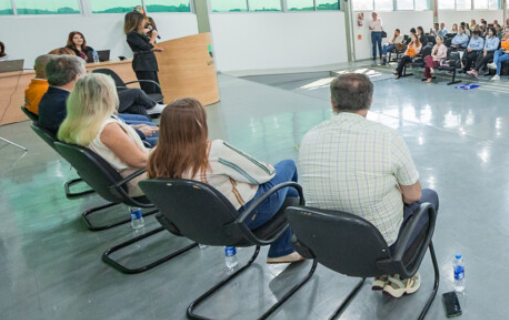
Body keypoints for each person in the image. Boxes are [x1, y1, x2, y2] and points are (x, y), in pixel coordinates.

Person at [299, 73, 437, 298]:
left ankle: (391, 275)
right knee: (429, 198)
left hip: (324, 246)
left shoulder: (309, 137)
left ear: (332, 102)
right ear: (370, 102)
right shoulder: (387, 138)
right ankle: (401, 273)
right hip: (377, 250)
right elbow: (413, 195)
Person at [147, 98, 303, 264]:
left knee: (290, 193)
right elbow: (263, 173)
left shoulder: (155, 157)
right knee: (287, 166)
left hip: (197, 225)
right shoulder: (214, 150)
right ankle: (282, 249)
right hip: (240, 221)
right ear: (199, 125)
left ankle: (283, 249)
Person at [57, 74, 157, 194]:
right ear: (107, 96)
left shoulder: (77, 123)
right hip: (140, 180)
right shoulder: (107, 128)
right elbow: (141, 161)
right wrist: (169, 147)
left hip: (118, 181)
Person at [124, 11, 163, 96]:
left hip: (150, 64)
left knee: (156, 88)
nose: (144, 22)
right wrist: (153, 37)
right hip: (143, 65)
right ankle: (152, 107)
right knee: (150, 89)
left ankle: (159, 106)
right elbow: (146, 47)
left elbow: (145, 47)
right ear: (136, 21)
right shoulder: (132, 35)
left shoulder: (139, 34)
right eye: (142, 20)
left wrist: (155, 49)